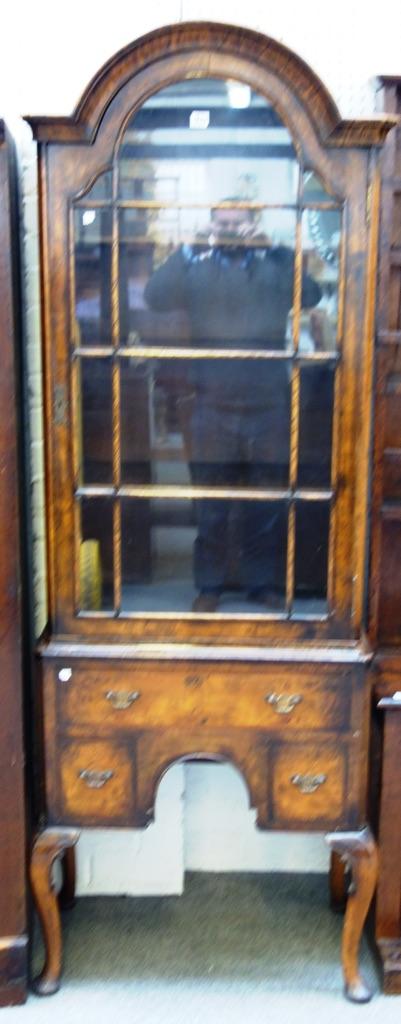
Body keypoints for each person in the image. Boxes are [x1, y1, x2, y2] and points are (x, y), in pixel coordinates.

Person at [144, 202, 322, 612]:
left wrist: (274, 246)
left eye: (235, 224)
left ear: (252, 225)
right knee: (211, 500)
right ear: (211, 226)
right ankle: (209, 586)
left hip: (268, 402)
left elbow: (310, 294)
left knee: (268, 498)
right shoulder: (197, 269)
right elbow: (155, 297)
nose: (226, 230)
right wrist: (188, 247)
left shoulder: (275, 268)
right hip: (212, 401)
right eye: (220, 223)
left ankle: (262, 584)